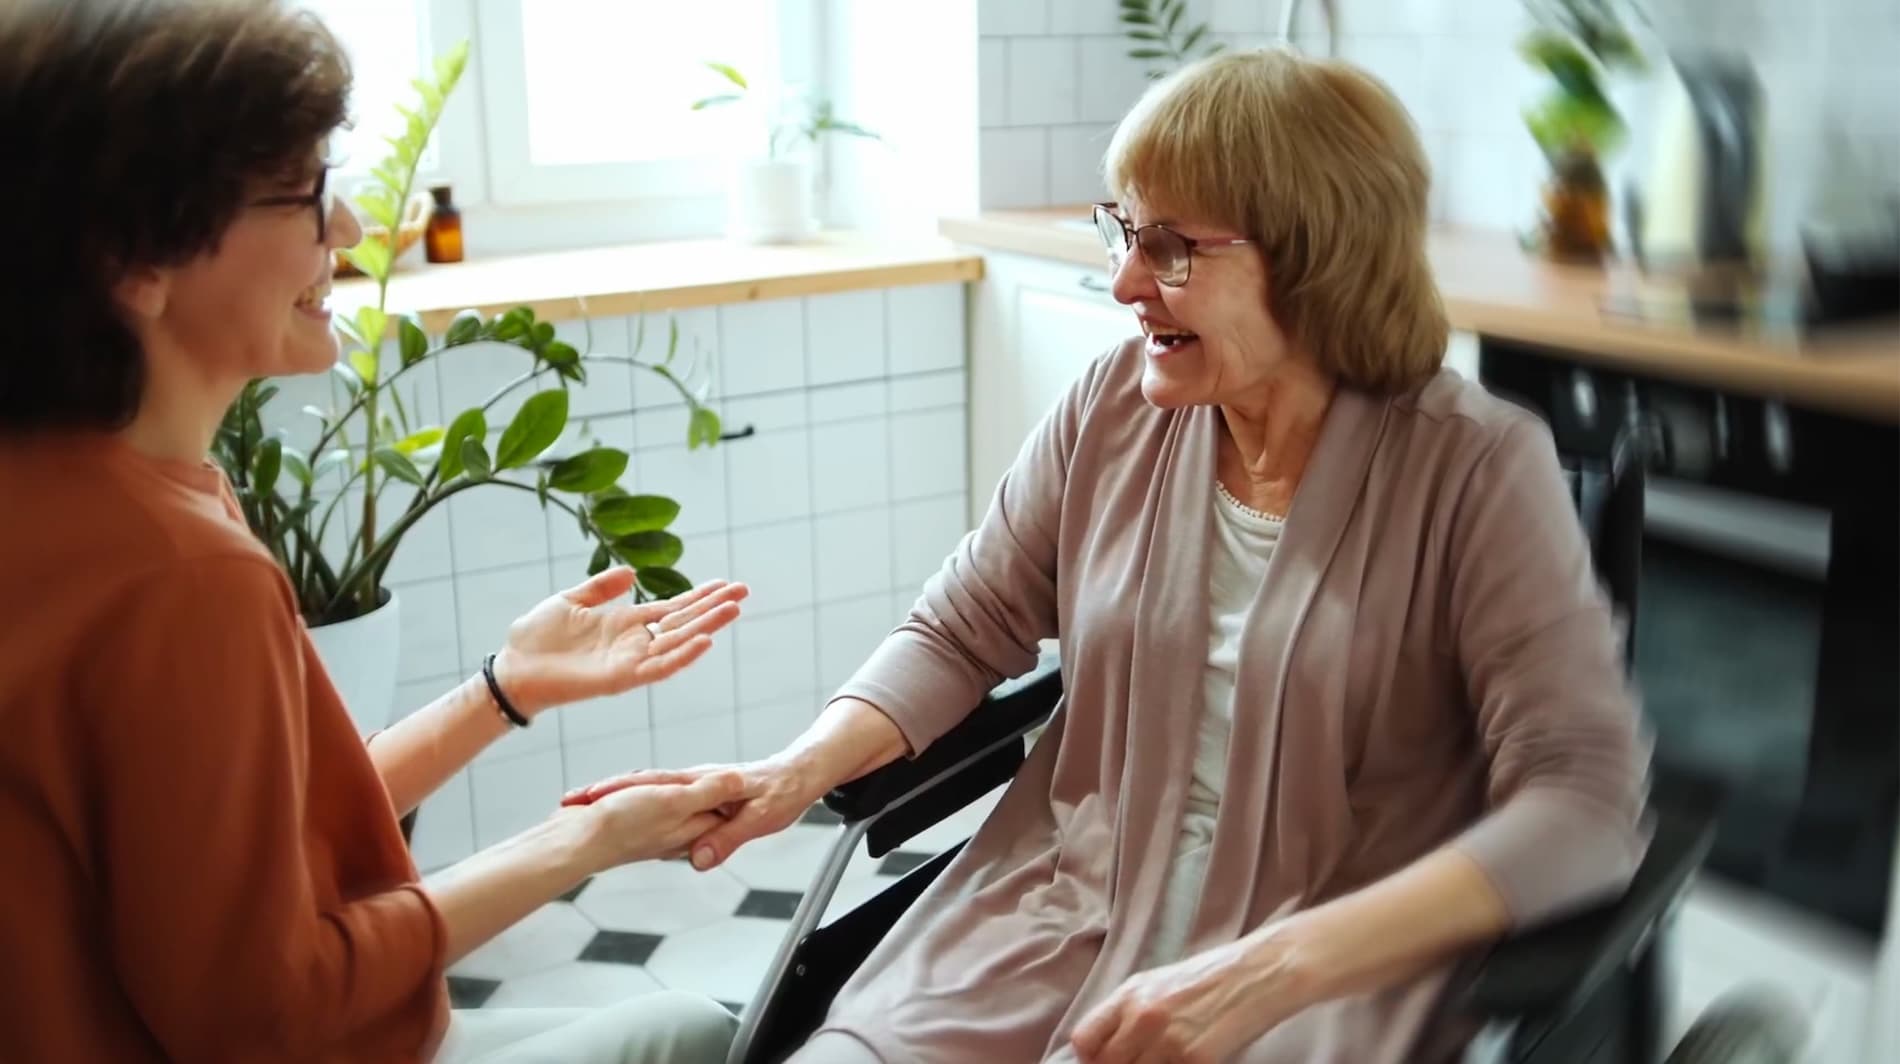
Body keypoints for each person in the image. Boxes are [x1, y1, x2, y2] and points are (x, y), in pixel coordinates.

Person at [569, 48, 1652, 1063]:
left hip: (1312, 973)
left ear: (1315, 260)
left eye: (1170, 247)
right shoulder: (1110, 409)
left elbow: (1584, 800)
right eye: (1122, 232)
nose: (1126, 282)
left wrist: (1276, 965)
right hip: (1058, 913)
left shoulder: (1476, 469)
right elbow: (962, 625)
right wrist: (792, 771)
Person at [0, 2, 749, 1061]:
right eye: (307, 195)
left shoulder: (90, 487)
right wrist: (582, 840)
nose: (348, 228)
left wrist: (505, 687)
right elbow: (258, 1013)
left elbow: (243, 844)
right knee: (697, 1032)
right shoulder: (181, 572)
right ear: (136, 256)